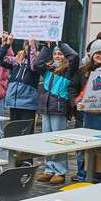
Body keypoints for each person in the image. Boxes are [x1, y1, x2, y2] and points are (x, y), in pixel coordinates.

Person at [70, 38, 101, 181]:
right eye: (98, 53)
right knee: (85, 151)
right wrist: (78, 102)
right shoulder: (83, 71)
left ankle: (97, 177)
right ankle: (83, 177)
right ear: (92, 54)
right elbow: (80, 92)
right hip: (87, 119)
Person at [37, 40, 78, 183]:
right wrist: (46, 48)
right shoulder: (48, 69)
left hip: (59, 109)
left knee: (59, 141)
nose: (57, 56)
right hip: (47, 108)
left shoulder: (68, 70)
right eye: (55, 54)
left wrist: (60, 44)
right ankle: (49, 169)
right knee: (47, 140)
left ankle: (60, 171)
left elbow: (74, 57)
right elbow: (37, 63)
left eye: (60, 54)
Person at [0, 34, 47, 136]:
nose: (28, 47)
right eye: (27, 45)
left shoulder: (38, 60)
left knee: (26, 132)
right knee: (14, 131)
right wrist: (7, 43)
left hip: (27, 103)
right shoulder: (16, 59)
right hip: (14, 102)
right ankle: (14, 151)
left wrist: (32, 46)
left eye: (31, 45)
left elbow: (32, 66)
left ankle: (25, 151)